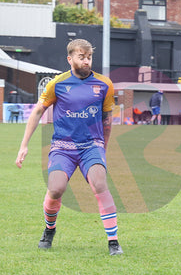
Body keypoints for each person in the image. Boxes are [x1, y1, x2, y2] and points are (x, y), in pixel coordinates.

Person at [15, 39, 123, 256]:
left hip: (91, 146)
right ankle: (49, 229)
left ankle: (113, 242)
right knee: (55, 189)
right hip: (63, 147)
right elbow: (37, 111)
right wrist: (23, 145)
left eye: (89, 57)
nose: (86, 61)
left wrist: (103, 149)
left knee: (99, 184)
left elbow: (107, 119)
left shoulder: (104, 84)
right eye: (81, 57)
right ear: (70, 58)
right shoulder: (58, 83)